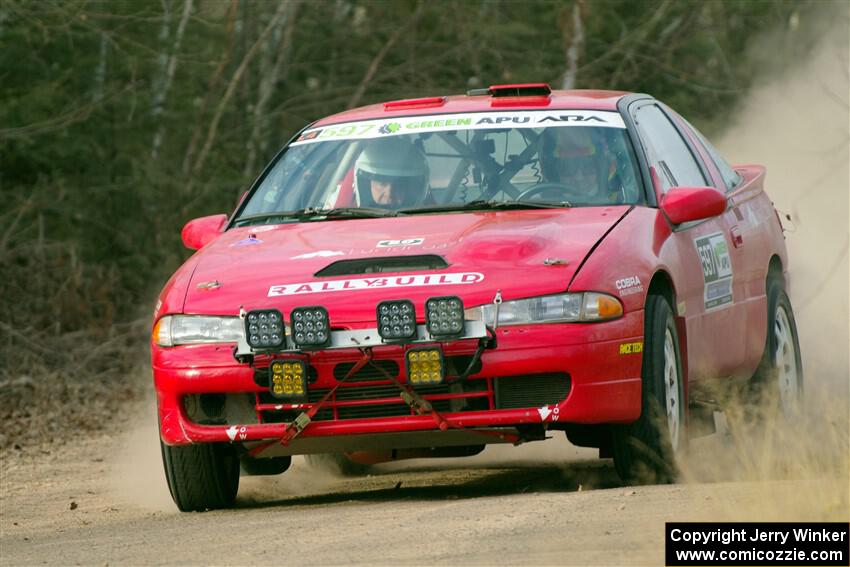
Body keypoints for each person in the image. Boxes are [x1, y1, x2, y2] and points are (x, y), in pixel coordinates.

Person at [538, 127, 624, 204]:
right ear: (553, 173)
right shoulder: (537, 204)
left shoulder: (622, 202)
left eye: (588, 167)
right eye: (568, 169)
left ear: (602, 169)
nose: (579, 178)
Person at [353, 138, 429, 209]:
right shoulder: (347, 218)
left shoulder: (432, 220)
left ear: (409, 188)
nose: (389, 194)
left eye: (398, 185)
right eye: (382, 183)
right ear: (367, 185)